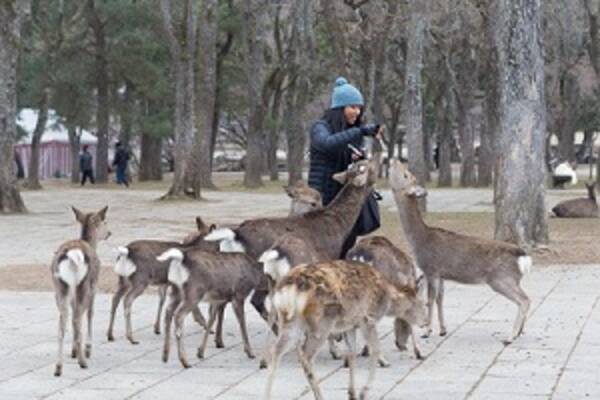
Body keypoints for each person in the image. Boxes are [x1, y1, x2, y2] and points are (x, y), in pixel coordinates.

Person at [307, 77, 383, 257]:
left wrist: (359, 158)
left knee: (345, 249)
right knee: (323, 251)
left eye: (359, 108)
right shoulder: (320, 127)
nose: (357, 112)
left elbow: (350, 160)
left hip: (345, 203)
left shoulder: (353, 132)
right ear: (339, 109)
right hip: (322, 202)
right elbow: (326, 144)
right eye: (352, 107)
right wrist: (360, 131)